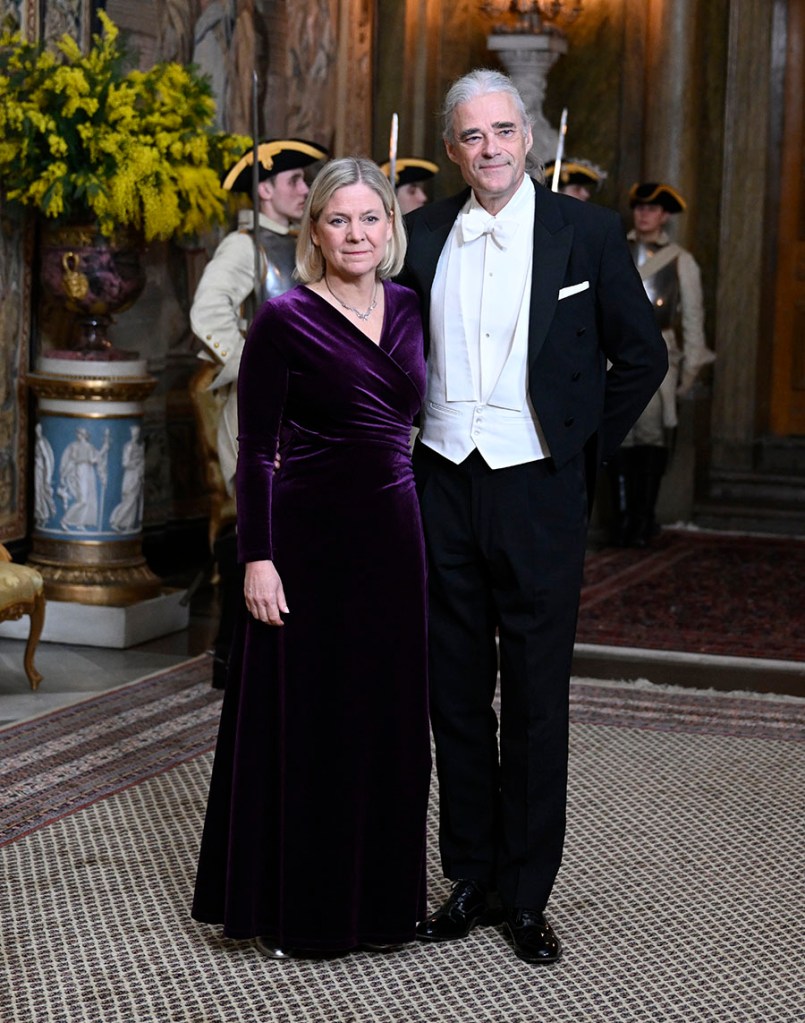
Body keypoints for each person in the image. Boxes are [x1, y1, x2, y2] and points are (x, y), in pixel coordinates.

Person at [399, 69, 667, 964]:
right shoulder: (418, 233)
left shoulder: (585, 232)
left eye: (504, 131)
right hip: (441, 482)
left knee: (534, 698)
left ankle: (524, 893)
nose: (491, 148)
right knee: (453, 692)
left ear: (529, 138)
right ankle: (469, 875)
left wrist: (576, 451)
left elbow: (642, 356)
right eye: (472, 135)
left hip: (538, 491)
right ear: (451, 148)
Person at [192, 157, 431, 959]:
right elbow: (256, 449)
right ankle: (304, 910)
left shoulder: (410, 307)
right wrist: (257, 557)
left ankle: (382, 907)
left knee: (387, 720)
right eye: (338, 220)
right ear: (314, 232)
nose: (356, 234)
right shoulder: (283, 318)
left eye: (370, 218)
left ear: (389, 227)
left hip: (393, 537)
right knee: (311, 722)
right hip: (306, 540)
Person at [190, 136, 329, 688]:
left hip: (307, 409)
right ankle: (233, 656)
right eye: (294, 180)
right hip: (256, 411)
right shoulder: (242, 247)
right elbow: (207, 314)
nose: (305, 189)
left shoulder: (304, 241)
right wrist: (255, 364)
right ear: (264, 189)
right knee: (256, 525)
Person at [606, 182, 715, 547]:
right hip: (614, 349)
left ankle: (643, 518)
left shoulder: (680, 260)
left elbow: (692, 317)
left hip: (657, 350)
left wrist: (692, 365)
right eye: (639, 207)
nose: (644, 214)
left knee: (650, 431)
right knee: (617, 433)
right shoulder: (614, 247)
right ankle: (622, 521)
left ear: (665, 215)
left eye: (652, 209)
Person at [109, 424, 146, 533]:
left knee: (133, 501)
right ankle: (116, 522)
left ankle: (129, 526)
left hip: (137, 475)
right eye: (135, 433)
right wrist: (136, 463)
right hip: (130, 475)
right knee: (129, 500)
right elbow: (125, 463)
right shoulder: (128, 446)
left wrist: (141, 466)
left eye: (137, 433)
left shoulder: (139, 447)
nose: (136, 435)